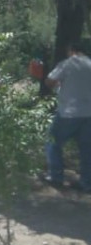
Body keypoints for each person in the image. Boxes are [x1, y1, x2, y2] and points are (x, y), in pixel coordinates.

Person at [42, 41, 91, 192]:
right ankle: (86, 182)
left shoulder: (67, 64)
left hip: (69, 113)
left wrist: (41, 76)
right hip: (88, 113)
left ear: (72, 50)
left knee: (53, 142)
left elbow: (50, 81)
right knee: (86, 149)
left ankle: (56, 176)